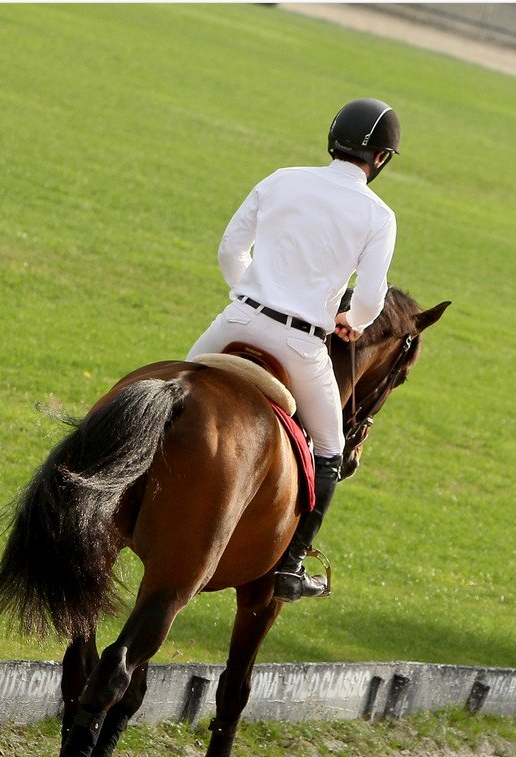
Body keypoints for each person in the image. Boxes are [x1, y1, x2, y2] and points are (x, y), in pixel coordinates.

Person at [185, 98, 400, 603]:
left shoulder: (281, 178)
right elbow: (370, 299)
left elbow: (229, 251)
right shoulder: (379, 215)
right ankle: (291, 564)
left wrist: (251, 296)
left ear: (332, 138)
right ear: (382, 159)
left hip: (235, 320)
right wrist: (353, 321)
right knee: (330, 451)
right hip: (300, 343)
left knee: (165, 391)